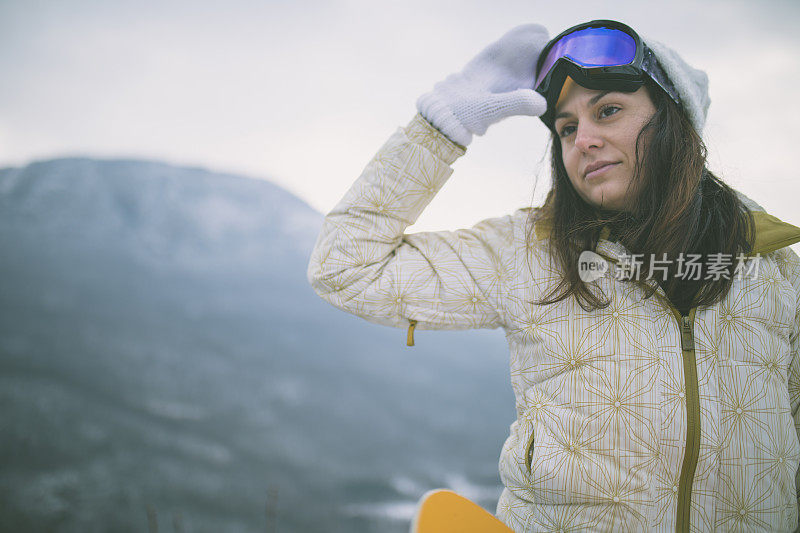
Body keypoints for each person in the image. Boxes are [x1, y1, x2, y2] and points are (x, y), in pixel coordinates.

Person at [306, 19, 800, 532]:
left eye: (607, 111)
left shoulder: (773, 265)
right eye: (566, 128)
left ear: (675, 122)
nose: (583, 139)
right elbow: (345, 265)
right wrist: (442, 125)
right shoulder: (526, 253)